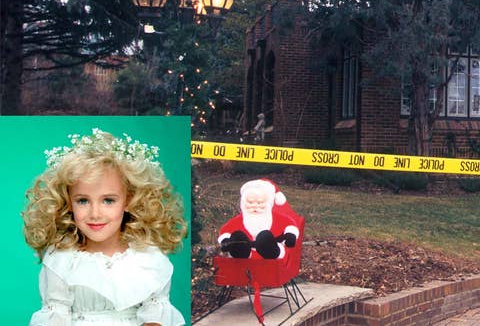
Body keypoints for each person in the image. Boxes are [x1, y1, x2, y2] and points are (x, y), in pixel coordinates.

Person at [22, 129, 186, 326]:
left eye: (108, 200)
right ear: (68, 202)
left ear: (129, 200)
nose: (95, 213)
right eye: (83, 201)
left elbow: (154, 316)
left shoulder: (147, 256)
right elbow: (56, 317)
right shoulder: (62, 259)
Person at [218, 179, 299, 260]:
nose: (255, 206)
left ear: (268, 203)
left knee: (265, 237)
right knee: (237, 236)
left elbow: (290, 225)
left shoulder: (277, 218)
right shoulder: (239, 220)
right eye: (250, 202)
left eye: (259, 203)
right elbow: (226, 230)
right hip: (245, 256)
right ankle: (240, 253)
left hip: (271, 252)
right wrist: (226, 240)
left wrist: (290, 235)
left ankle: (268, 248)